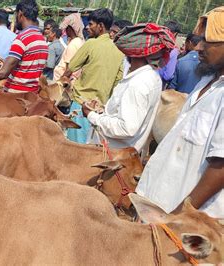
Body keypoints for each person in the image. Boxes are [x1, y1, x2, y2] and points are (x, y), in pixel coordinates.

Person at [137, 7, 224, 219]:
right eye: (199, 40)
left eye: (207, 42)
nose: (199, 48)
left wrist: (180, 216)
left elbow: (220, 166)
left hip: (181, 215)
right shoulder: (205, 83)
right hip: (160, 200)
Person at [82, 23, 174, 153]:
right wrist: (103, 111)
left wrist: (91, 115)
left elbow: (126, 128)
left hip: (111, 156)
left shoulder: (138, 83)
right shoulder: (151, 77)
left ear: (134, 52)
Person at [63, 8, 124, 144]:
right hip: (101, 111)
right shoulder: (119, 52)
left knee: (75, 148)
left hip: (81, 106)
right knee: (91, 149)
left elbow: (70, 68)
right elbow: (117, 84)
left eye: (90, 24)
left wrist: (62, 84)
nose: (87, 27)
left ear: (101, 26)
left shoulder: (91, 44)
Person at [54, 13, 85, 81]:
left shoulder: (73, 44)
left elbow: (69, 69)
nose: (65, 30)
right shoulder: (80, 42)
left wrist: (60, 82)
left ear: (70, 28)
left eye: (67, 28)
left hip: (62, 82)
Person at [158, 20, 181, 85]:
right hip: (158, 82)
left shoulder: (154, 43)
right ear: (175, 33)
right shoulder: (173, 50)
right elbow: (167, 76)